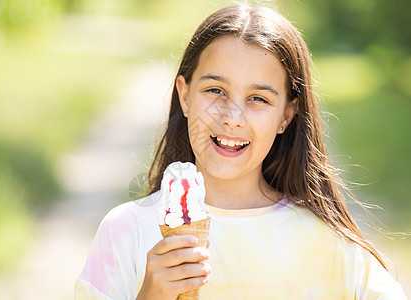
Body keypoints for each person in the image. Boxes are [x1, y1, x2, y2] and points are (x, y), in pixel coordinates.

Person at [75, 4, 407, 299]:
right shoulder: (127, 232)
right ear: (185, 96)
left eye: (258, 99)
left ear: (286, 116)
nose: (232, 118)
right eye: (215, 90)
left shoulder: (332, 247)